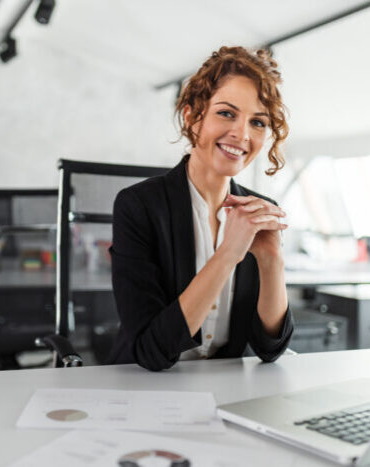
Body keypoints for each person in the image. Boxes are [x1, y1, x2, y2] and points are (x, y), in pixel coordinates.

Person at [107, 46, 294, 371]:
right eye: (226, 113)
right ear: (193, 117)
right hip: (143, 390)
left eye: (258, 122)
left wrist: (271, 261)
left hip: (224, 393)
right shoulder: (138, 206)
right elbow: (152, 352)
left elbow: (270, 348)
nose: (242, 134)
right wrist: (226, 256)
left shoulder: (258, 212)